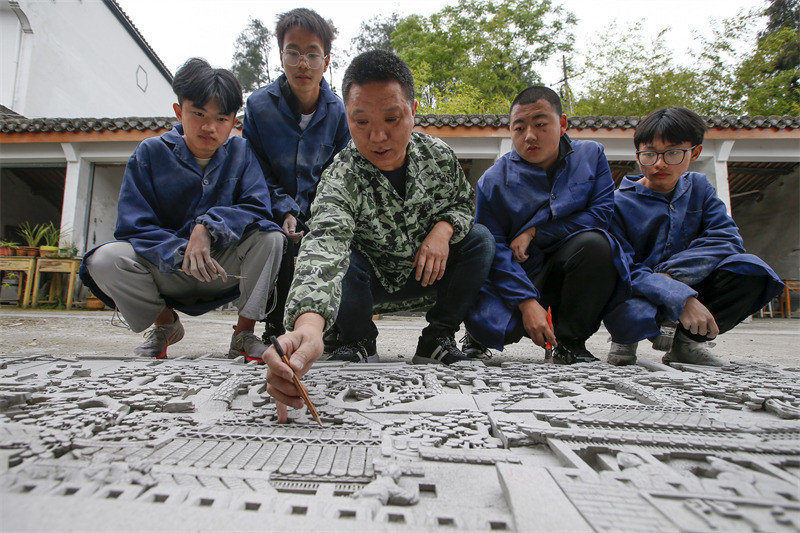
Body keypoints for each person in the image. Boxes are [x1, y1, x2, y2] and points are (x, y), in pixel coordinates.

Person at [263, 50, 494, 418]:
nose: (378, 136)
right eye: (361, 122)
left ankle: (436, 339)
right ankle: (357, 341)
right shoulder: (341, 175)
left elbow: (464, 205)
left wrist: (442, 229)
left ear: (412, 110)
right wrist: (308, 326)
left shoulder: (439, 157)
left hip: (426, 275)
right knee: (343, 253)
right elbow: (325, 243)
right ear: (348, 120)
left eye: (392, 118)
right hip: (364, 287)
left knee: (479, 240)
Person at [80, 58, 285, 361]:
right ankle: (165, 325)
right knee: (103, 260)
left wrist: (206, 228)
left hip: (222, 268)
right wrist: (182, 250)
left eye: (221, 118)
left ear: (233, 121)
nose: (209, 127)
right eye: (199, 114)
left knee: (271, 238)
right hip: (166, 267)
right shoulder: (150, 153)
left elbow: (257, 208)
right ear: (179, 111)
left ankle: (243, 333)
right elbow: (133, 226)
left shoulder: (241, 152)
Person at [462, 86, 630, 365]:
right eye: (519, 128)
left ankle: (571, 343)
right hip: (521, 271)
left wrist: (536, 232)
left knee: (598, 245)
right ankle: (476, 336)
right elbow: (495, 249)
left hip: (572, 263)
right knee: (492, 326)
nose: (529, 136)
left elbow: (601, 214)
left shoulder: (591, 155)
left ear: (562, 124)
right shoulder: (492, 181)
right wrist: (527, 302)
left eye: (540, 124)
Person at [604, 107, 784, 366]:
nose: (659, 163)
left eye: (673, 153)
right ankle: (625, 339)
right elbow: (624, 267)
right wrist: (673, 292)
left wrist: (673, 279)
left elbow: (726, 239)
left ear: (695, 152)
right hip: (640, 291)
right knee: (628, 303)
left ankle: (687, 344)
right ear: (638, 154)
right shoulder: (617, 203)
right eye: (649, 154)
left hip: (692, 282)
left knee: (752, 270)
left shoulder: (700, 188)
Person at [242, 8, 350, 342]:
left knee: (328, 244)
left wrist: (320, 212)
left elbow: (342, 168)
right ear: (281, 55)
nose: (303, 64)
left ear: (326, 61)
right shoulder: (258, 106)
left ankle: (329, 326)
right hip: (271, 206)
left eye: (312, 54)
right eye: (294, 52)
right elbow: (254, 167)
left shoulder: (339, 112)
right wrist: (284, 208)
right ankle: (274, 325)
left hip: (323, 207)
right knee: (278, 242)